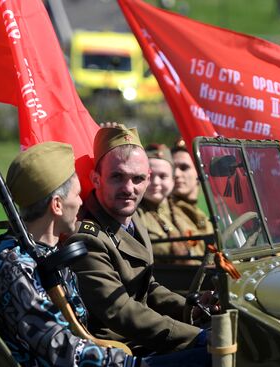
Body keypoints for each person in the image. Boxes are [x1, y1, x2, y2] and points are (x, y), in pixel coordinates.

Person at [0, 142, 139, 366]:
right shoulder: (15, 266)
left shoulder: (46, 254)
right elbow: (62, 350)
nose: (81, 201)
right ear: (57, 205)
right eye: (77, 194)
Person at [67, 125, 210, 365]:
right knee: (218, 357)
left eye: (138, 179)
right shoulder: (88, 237)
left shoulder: (131, 220)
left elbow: (147, 286)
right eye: (117, 177)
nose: (129, 189)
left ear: (147, 179)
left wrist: (190, 309)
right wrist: (196, 336)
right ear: (96, 179)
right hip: (120, 351)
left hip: (144, 338)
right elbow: (119, 311)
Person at [137, 143, 204, 264]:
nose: (156, 182)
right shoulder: (133, 215)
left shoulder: (182, 211)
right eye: (150, 176)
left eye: (163, 176)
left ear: (173, 180)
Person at [170, 139, 213, 250]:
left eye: (184, 168)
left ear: (199, 172)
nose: (176, 174)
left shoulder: (204, 216)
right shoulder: (166, 212)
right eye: (173, 168)